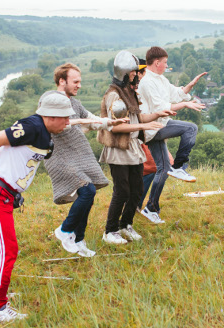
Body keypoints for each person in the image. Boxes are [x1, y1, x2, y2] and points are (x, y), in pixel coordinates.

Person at [0, 93, 73, 322]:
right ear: (50, 116)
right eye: (65, 118)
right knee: (7, 248)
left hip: (4, 194)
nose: (68, 122)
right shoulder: (32, 126)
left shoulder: (46, 131)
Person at [43, 63, 127, 257]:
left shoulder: (75, 104)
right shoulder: (50, 99)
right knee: (87, 191)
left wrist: (109, 123)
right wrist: (81, 122)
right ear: (62, 81)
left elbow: (90, 119)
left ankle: (78, 240)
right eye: (76, 81)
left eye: (80, 81)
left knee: (88, 194)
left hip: (76, 156)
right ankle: (65, 230)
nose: (79, 85)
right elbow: (56, 124)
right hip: (59, 157)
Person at [98, 50, 171, 244]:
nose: (135, 75)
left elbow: (139, 118)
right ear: (124, 72)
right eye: (133, 72)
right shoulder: (113, 95)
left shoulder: (129, 92)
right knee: (122, 191)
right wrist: (142, 126)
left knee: (137, 189)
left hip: (132, 147)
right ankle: (110, 231)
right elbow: (116, 127)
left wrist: (157, 115)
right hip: (119, 149)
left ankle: (125, 225)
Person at [137, 46, 207, 223]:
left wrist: (191, 84)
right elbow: (161, 108)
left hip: (158, 127)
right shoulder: (147, 82)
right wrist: (185, 105)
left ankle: (151, 208)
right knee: (190, 128)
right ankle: (180, 167)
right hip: (153, 127)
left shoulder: (160, 79)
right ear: (157, 62)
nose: (167, 66)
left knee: (163, 169)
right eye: (165, 62)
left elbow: (176, 94)